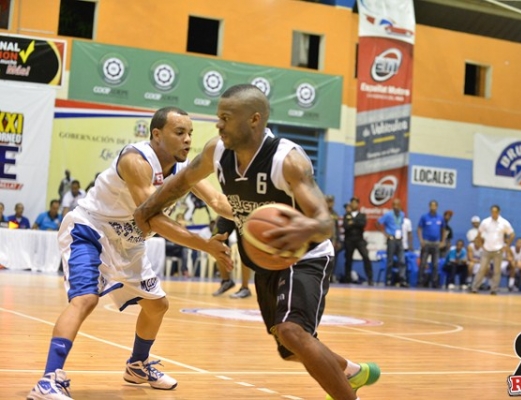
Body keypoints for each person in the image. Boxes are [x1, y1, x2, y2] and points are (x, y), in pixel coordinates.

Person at [134, 84, 380, 400]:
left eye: (226, 117)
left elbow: (324, 222)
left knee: (294, 333)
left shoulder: (287, 160)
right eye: (218, 117)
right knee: (290, 348)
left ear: (254, 120)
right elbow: (182, 182)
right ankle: (352, 372)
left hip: (305, 254)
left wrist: (300, 229)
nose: (218, 124)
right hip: (267, 258)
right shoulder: (216, 152)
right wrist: (146, 209)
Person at [27, 106, 233, 400]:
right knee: (85, 299)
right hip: (91, 230)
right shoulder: (135, 160)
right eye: (179, 133)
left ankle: (137, 365)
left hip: (127, 241)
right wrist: (206, 245)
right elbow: (152, 219)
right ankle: (48, 380)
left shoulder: (181, 170)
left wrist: (250, 216)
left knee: (157, 305)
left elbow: (217, 200)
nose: (188, 139)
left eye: (190, 133)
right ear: (157, 135)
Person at [471, 205, 515, 295]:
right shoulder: (485, 222)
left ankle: (494, 289)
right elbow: (479, 232)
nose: (493, 214)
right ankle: (474, 287)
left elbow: (512, 234)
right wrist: (480, 244)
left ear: (499, 212)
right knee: (482, 269)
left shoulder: (504, 223)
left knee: (496, 271)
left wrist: (507, 245)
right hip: (486, 249)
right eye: (492, 212)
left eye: (495, 212)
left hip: (498, 250)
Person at [212, 216, 253, 299]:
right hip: (227, 210)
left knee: (244, 247)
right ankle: (226, 281)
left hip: (244, 211)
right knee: (215, 241)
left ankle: (245, 288)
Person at [376, 198, 408, 287]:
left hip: (399, 240)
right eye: (394, 205)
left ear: (400, 206)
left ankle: (402, 280)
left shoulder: (402, 214)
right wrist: (386, 234)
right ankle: (388, 280)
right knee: (390, 261)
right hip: (391, 240)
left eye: (397, 205)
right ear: (392, 206)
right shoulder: (388, 215)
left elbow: (400, 225)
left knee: (402, 260)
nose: (396, 207)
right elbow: (377, 223)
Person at [343, 196, 373, 285]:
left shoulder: (362, 215)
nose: (354, 204)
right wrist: (355, 222)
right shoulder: (346, 215)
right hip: (349, 239)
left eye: (355, 202)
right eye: (352, 202)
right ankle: (347, 278)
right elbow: (346, 226)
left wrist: (353, 222)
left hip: (359, 239)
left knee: (366, 257)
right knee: (348, 259)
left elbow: (362, 224)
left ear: (358, 204)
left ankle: (370, 278)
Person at [417, 200, 446, 288]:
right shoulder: (424, 217)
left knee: (435, 264)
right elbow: (419, 229)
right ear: (429, 206)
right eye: (431, 206)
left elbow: (443, 230)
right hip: (426, 243)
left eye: (435, 206)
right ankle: (420, 282)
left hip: (436, 243)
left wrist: (443, 241)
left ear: (437, 207)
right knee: (423, 263)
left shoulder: (440, 218)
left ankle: (434, 282)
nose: (433, 207)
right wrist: (421, 240)